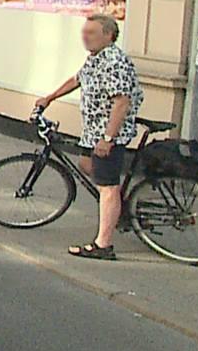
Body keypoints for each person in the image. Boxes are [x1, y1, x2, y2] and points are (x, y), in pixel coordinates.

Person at [34, 13, 144, 261]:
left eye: (91, 33)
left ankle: (103, 245)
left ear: (109, 35)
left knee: (108, 187)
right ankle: (117, 207)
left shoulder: (114, 62)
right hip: (92, 132)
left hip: (108, 135)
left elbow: (121, 103)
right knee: (86, 165)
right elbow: (77, 79)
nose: (85, 37)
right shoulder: (95, 58)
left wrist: (108, 139)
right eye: (84, 32)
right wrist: (50, 98)